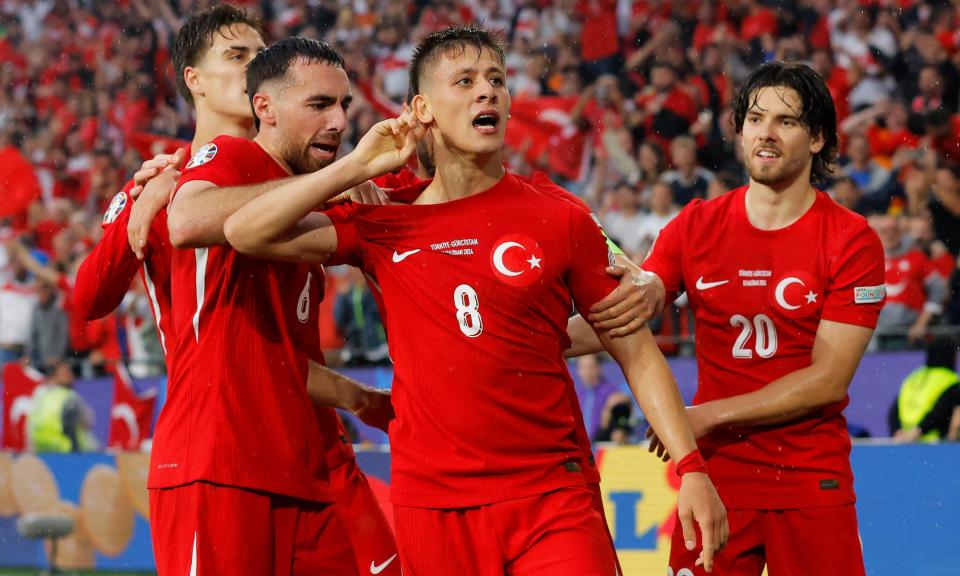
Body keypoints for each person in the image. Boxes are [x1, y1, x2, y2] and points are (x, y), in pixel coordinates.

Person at [224, 26, 727, 574]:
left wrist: (691, 466)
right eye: (464, 81)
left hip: (551, 497)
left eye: (496, 80)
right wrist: (355, 168)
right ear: (423, 108)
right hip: (432, 505)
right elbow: (246, 233)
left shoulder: (559, 216)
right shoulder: (383, 221)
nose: (486, 92)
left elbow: (635, 351)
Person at [109, 20, 393, 575]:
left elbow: (277, 352)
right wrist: (150, 194)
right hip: (218, 454)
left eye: (343, 105)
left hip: (302, 454)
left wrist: (360, 399)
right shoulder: (212, 167)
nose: (338, 121)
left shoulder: (310, 185)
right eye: (237, 55)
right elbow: (178, 230)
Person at [643, 61, 886, 575]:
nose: (765, 134)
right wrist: (537, 336)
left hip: (809, 479)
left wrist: (703, 415)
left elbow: (827, 380)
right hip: (713, 481)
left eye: (786, 122)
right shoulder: (694, 225)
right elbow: (630, 311)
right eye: (755, 118)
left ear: (817, 139)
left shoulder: (852, 239)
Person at [889, 337, 960, 442]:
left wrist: (897, 431)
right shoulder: (952, 380)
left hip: (903, 441)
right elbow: (939, 412)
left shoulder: (913, 377)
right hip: (933, 444)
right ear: (952, 357)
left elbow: (894, 410)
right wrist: (918, 431)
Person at [26, 360, 97, 452]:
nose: (71, 375)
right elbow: (88, 422)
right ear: (53, 376)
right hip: (67, 452)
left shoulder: (38, 393)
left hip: (41, 452)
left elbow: (29, 427)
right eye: (66, 372)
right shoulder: (69, 396)